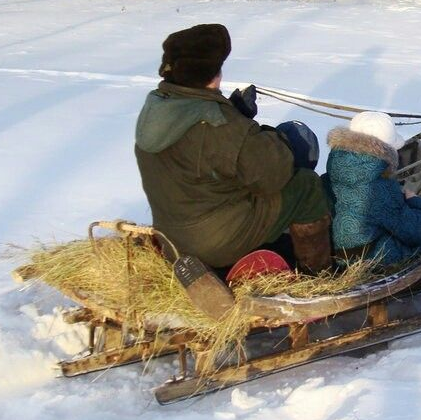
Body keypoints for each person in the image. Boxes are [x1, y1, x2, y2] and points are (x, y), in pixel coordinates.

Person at [134, 23, 332, 275]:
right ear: (212, 74)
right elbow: (273, 175)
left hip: (174, 237)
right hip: (213, 242)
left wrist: (232, 111)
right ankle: (318, 276)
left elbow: (202, 152)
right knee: (305, 185)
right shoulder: (220, 126)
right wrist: (281, 140)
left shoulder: (157, 108)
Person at [323, 111, 421, 265]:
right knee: (420, 244)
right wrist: (417, 204)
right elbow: (413, 232)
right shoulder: (380, 189)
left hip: (335, 255)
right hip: (366, 260)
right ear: (386, 150)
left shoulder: (330, 175)